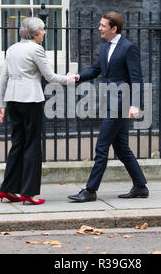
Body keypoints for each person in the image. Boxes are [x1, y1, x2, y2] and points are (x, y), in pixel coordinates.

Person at [67, 11, 148, 203]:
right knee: (121, 148)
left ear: (114, 28)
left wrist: (135, 104)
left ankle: (90, 190)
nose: (99, 28)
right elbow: (96, 70)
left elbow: (136, 78)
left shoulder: (128, 48)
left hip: (121, 104)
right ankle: (140, 186)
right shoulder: (105, 48)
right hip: (109, 102)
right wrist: (78, 77)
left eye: (103, 25)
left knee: (102, 147)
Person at [0, 16, 76, 205]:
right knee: (32, 145)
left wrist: (2, 105)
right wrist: (69, 79)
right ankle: (29, 193)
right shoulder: (36, 49)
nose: (44, 32)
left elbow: (3, 78)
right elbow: (49, 76)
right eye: (42, 30)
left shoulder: (12, 49)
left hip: (13, 99)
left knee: (17, 143)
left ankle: (7, 188)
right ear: (34, 34)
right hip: (31, 100)